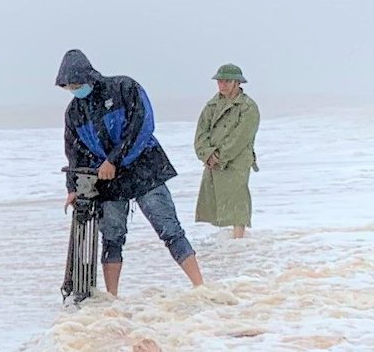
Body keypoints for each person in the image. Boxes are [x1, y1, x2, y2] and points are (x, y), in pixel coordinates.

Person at [56, 49, 202, 297]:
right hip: (109, 181)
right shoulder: (74, 113)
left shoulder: (124, 87)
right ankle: (112, 297)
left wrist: (114, 160)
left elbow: (143, 123)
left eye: (78, 84)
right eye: (70, 87)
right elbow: (74, 151)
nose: (75, 89)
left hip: (145, 170)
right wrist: (72, 187)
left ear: (90, 77)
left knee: (170, 230)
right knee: (112, 239)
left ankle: (201, 287)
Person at [194, 63, 260, 239]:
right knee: (216, 203)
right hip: (213, 160)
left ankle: (239, 242)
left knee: (237, 201)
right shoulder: (211, 106)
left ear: (237, 83)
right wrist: (207, 154)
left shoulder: (248, 107)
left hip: (237, 161)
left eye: (226, 81)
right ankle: (224, 245)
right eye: (220, 81)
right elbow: (200, 133)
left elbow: (241, 137)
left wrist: (220, 157)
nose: (222, 85)